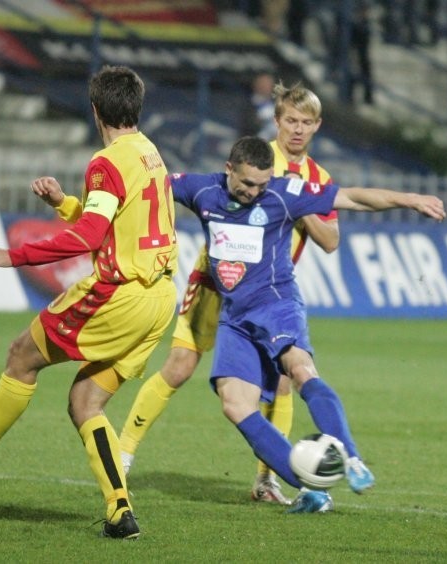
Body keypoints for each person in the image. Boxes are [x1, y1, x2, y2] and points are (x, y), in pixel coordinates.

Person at [0, 65, 178, 540]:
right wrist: (63, 202)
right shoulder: (149, 152)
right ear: (136, 107)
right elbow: (116, 222)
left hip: (119, 295)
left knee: (21, 355)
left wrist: (13, 255)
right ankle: (120, 511)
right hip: (159, 300)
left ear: (95, 110)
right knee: (85, 401)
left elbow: (90, 237)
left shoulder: (106, 161)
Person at [170, 136, 445, 511]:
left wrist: (410, 200)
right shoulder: (200, 188)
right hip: (235, 318)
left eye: (262, 184)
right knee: (235, 403)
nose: (254, 192)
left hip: (276, 305)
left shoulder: (284, 193)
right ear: (229, 169)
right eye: (247, 183)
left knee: (300, 370)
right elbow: (148, 184)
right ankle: (311, 486)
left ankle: (351, 457)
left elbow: (352, 198)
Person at [120, 81, 339, 510]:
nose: (297, 130)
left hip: (265, 295)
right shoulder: (257, 159)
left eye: (306, 123)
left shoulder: (317, 181)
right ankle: (123, 454)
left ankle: (267, 480)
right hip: (214, 283)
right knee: (180, 366)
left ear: (317, 127)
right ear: (276, 121)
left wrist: (300, 204)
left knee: (281, 383)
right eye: (290, 121)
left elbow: (330, 241)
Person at [238, 72, 278, 141]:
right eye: (262, 83)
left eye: (268, 84)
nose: (265, 87)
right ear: (256, 85)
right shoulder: (247, 105)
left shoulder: (277, 104)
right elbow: (246, 126)